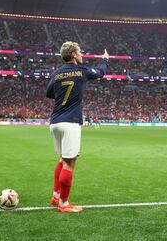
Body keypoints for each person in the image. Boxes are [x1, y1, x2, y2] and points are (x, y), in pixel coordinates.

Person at [46, 41, 109, 213]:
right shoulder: (82, 71)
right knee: (69, 162)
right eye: (80, 51)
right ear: (73, 54)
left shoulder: (56, 73)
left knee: (61, 159)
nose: (82, 54)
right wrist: (105, 60)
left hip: (55, 122)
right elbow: (101, 73)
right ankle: (64, 204)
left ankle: (56, 196)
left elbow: (49, 93)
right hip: (70, 121)